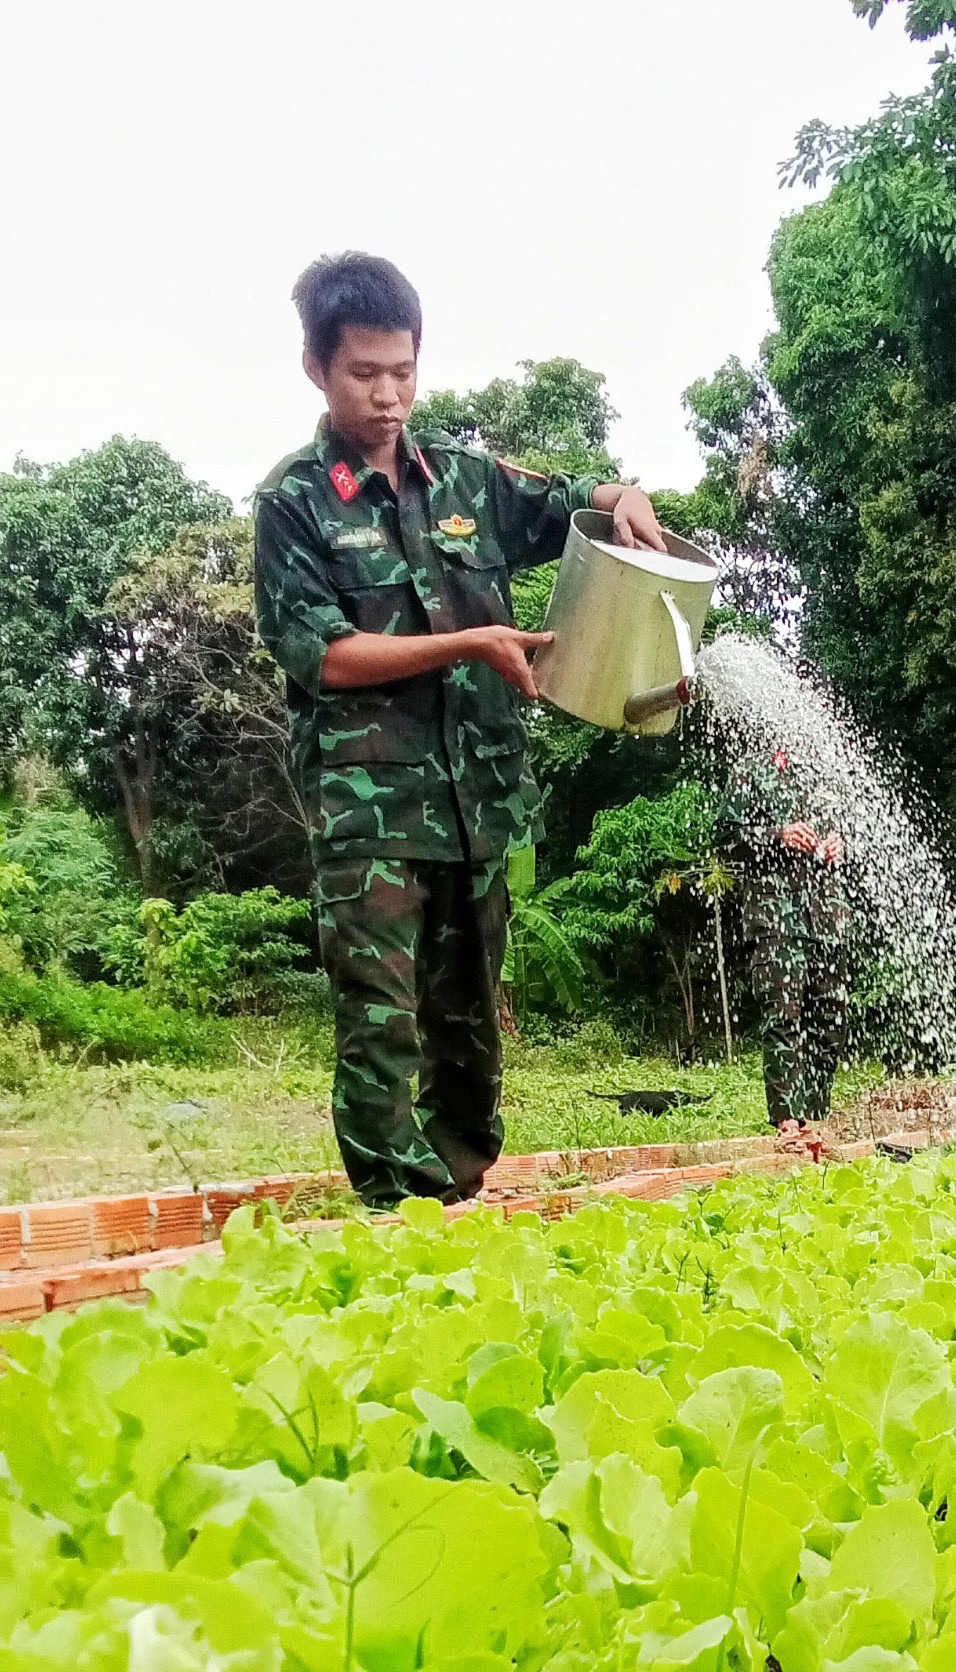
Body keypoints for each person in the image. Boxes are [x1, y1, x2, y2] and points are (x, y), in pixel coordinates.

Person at [253, 251, 666, 1210]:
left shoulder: (469, 480)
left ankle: (461, 1195)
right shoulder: (295, 502)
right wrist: (468, 643)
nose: (390, 396)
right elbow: (320, 655)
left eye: (404, 371)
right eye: (366, 374)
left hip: (481, 802)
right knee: (381, 1022)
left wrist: (623, 495)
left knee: (470, 1020)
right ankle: (391, 1214)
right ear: (317, 367)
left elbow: (578, 499)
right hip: (372, 812)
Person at [719, 749, 851, 1126]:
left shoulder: (824, 775)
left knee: (830, 1020)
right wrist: (779, 836)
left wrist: (839, 847)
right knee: (784, 1016)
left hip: (827, 917)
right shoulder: (750, 769)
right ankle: (788, 1123)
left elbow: (843, 835)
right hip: (776, 918)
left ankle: (816, 1119)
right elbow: (725, 839)